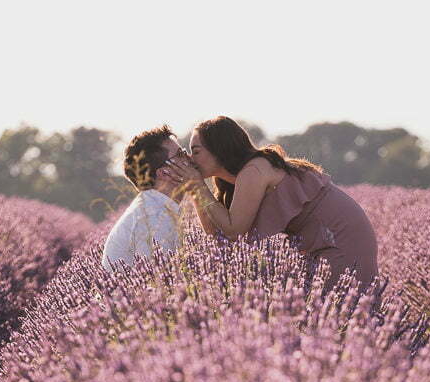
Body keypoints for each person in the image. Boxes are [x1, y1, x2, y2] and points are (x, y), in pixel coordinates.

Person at [164, 116, 379, 292]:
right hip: (321, 240)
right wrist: (195, 190)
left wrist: (199, 187)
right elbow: (216, 234)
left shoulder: (254, 170)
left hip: (341, 236)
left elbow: (234, 230)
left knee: (338, 311)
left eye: (196, 150)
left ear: (219, 148)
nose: (191, 158)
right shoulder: (232, 180)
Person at [101, 125, 187, 271]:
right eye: (180, 154)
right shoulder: (155, 217)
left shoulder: (156, 206)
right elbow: (161, 283)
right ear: (164, 173)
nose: (189, 158)